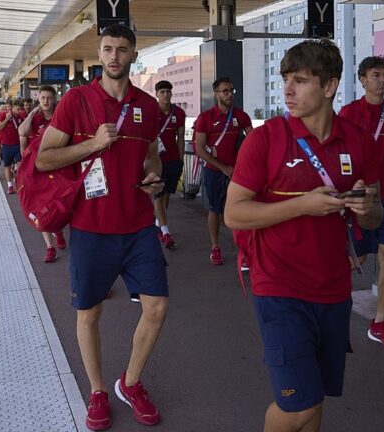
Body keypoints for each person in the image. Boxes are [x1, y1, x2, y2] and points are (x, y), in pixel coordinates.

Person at [224, 39, 383, 432]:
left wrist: (368, 209)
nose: (288, 91)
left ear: (329, 87)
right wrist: (302, 205)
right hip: (278, 287)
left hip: (332, 289)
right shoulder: (265, 139)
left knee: (315, 399)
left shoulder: (357, 140)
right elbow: (234, 213)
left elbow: (375, 217)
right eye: (285, 80)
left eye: (300, 81)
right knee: (298, 404)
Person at [36, 24, 168, 431]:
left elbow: (152, 157)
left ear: (133, 55)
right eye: (108, 49)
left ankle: (130, 382)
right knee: (88, 312)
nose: (114, 56)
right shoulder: (76, 100)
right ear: (99, 53)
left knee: (158, 307)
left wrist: (155, 178)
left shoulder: (147, 105)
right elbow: (43, 159)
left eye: (122, 50)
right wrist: (91, 145)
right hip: (91, 227)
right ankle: (97, 391)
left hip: (139, 225)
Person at [339, 56, 384, 350]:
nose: (382, 80)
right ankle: (333, 313)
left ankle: (380, 322)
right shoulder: (348, 113)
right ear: (362, 80)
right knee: (355, 259)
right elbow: (339, 153)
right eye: (375, 75)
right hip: (360, 197)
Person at [194, 77, 252, 266]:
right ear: (216, 94)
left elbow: (253, 142)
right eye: (225, 91)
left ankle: (244, 251)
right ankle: (215, 247)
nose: (229, 95)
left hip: (238, 173)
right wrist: (223, 168)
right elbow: (200, 149)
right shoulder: (205, 118)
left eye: (231, 91)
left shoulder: (241, 116)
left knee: (241, 210)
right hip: (214, 172)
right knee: (215, 210)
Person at [18, 85, 67, 262]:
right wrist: (31, 114)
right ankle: (49, 247)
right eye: (43, 98)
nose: (46, 101)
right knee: (39, 206)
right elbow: (22, 132)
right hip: (36, 171)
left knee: (58, 203)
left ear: (54, 99)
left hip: (57, 168)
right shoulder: (34, 118)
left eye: (49, 98)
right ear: (38, 99)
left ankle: (58, 229)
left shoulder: (59, 116)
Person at [153, 80, 186, 249]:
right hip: (156, 161)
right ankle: (165, 231)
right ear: (157, 94)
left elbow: (180, 138)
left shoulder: (179, 113)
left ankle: (159, 223)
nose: (166, 94)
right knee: (158, 193)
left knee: (166, 195)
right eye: (162, 92)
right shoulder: (151, 111)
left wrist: (181, 160)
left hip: (173, 160)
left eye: (168, 91)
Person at [0, 100, 23, 193]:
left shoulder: (20, 116)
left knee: (20, 165)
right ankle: (9, 186)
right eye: (18, 109)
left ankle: (17, 182)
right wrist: (7, 119)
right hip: (6, 145)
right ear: (12, 107)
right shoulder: (4, 115)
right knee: (7, 165)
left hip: (17, 145)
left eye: (21, 109)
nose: (19, 111)